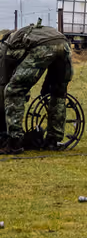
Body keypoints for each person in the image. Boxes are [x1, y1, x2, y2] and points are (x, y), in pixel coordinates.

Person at [0, 19, 73, 154]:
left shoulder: (5, 49)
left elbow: (5, 81)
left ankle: (14, 143)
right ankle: (53, 141)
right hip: (64, 45)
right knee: (58, 93)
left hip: (43, 47)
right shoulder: (28, 34)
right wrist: (45, 86)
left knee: (13, 91)